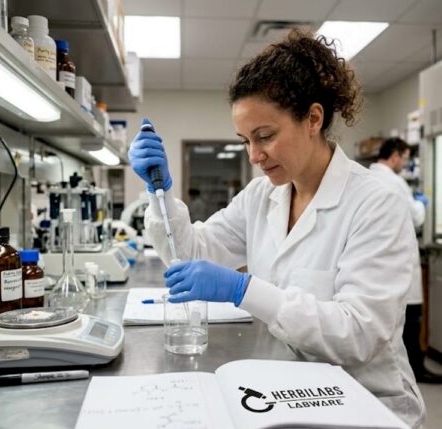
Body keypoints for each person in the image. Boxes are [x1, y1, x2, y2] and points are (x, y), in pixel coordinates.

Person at [129, 29, 425, 428]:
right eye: (245, 141)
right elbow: (193, 253)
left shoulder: (375, 203)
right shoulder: (260, 196)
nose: (254, 156)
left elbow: (357, 334)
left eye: (265, 136)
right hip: (288, 391)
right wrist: (160, 193)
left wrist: (243, 290)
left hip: (367, 402)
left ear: (313, 119)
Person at [370, 138, 442, 385]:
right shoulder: (395, 181)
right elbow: (415, 218)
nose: (405, 163)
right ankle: (416, 369)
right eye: (404, 157)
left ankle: (399, 370)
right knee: (411, 320)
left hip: (377, 264)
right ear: (394, 156)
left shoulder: (368, 176)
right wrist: (420, 204)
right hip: (400, 260)